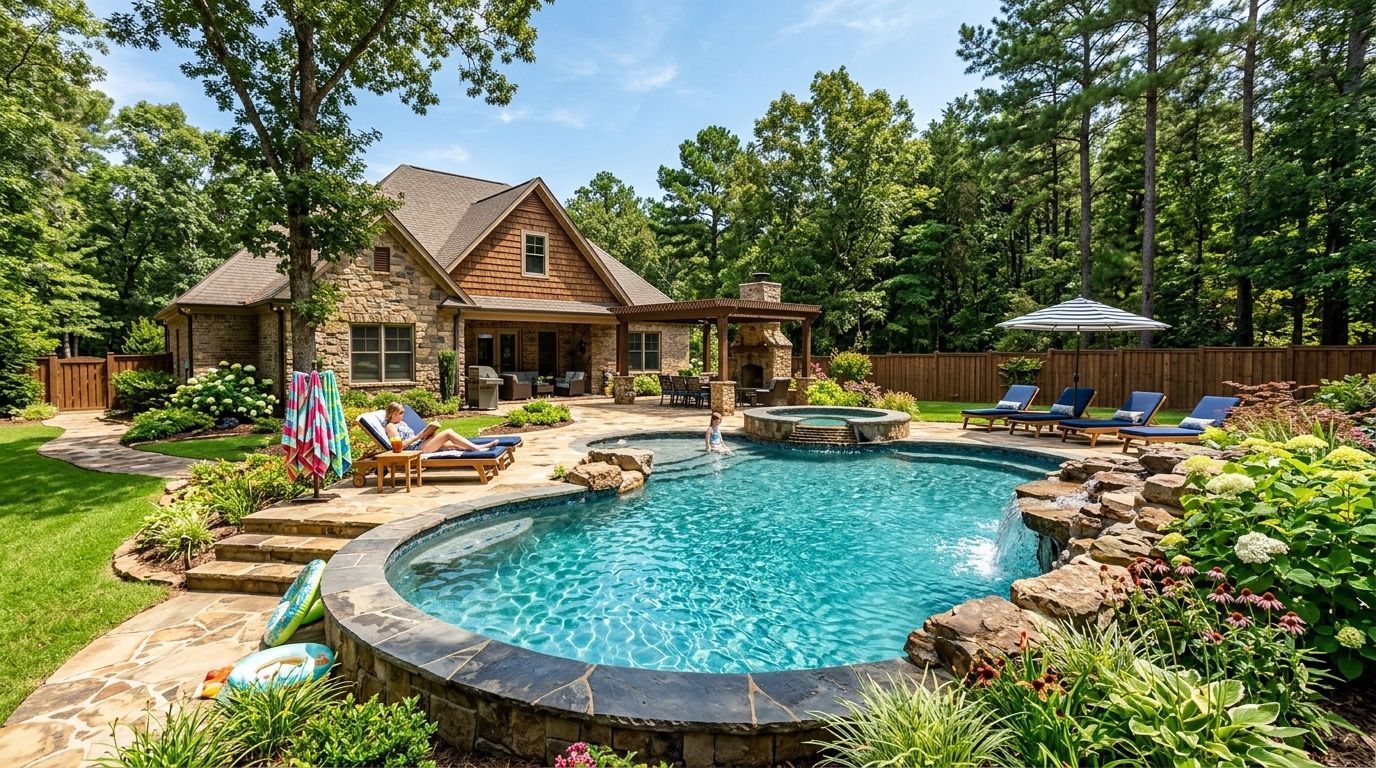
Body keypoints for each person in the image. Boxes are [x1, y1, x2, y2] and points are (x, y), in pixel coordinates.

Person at [383, 402, 484, 453]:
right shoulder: (391, 426)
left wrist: (427, 434)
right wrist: (418, 436)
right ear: (393, 414)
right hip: (415, 450)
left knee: (451, 444)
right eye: (401, 413)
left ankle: (476, 448)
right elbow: (399, 446)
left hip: (421, 443)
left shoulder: (402, 423)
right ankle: (476, 448)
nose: (403, 414)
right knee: (448, 433)